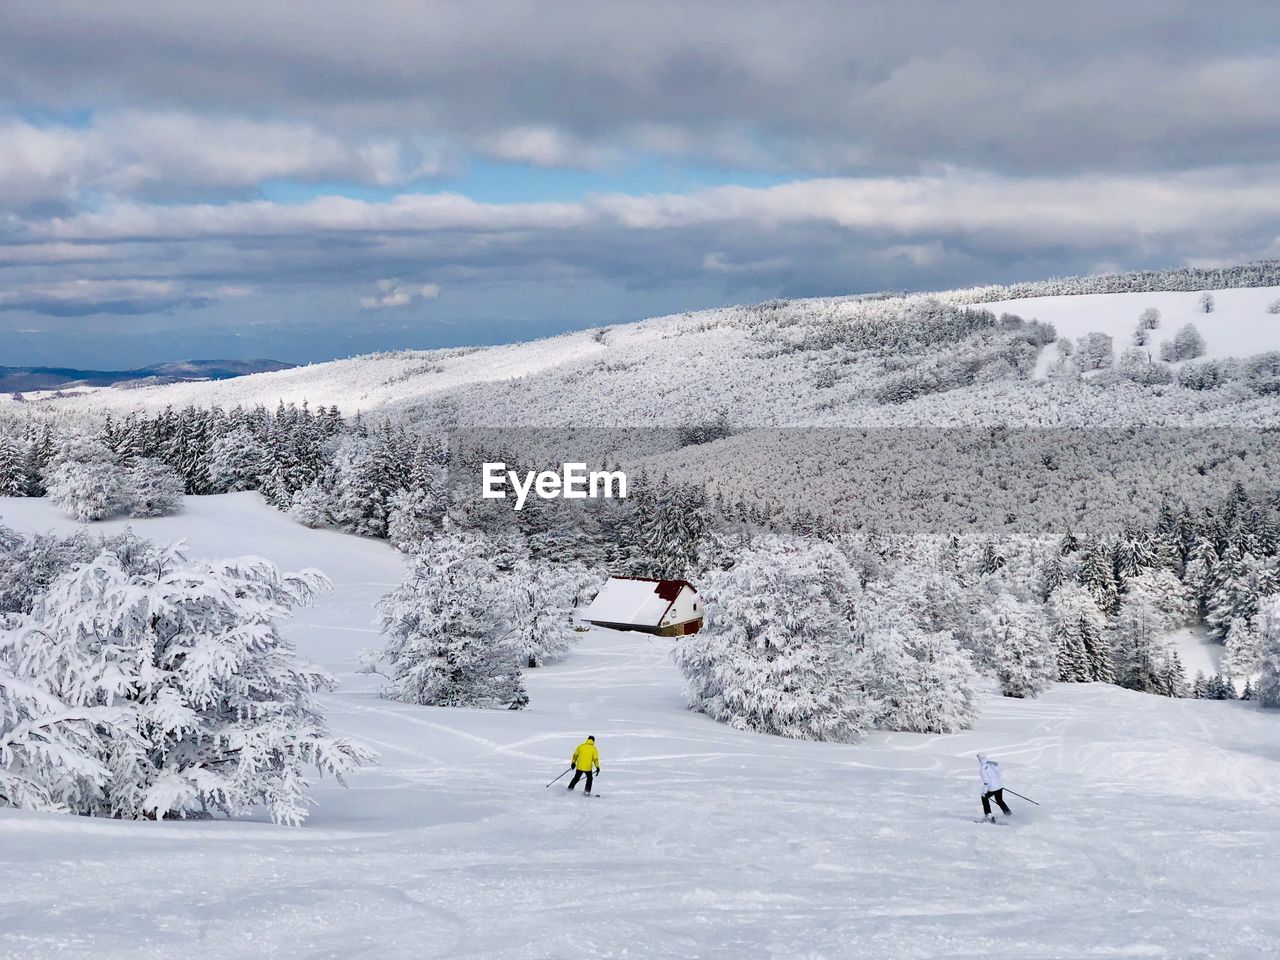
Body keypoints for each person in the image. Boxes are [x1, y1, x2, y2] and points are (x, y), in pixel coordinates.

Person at [977, 752, 1012, 821]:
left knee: (984, 797)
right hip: (1000, 786)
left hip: (992, 788)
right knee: (999, 800)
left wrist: (984, 792)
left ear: (979, 759)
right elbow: (998, 773)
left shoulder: (983, 769)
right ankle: (1008, 813)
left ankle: (989, 815)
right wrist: (997, 783)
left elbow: (986, 782)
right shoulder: (993, 763)